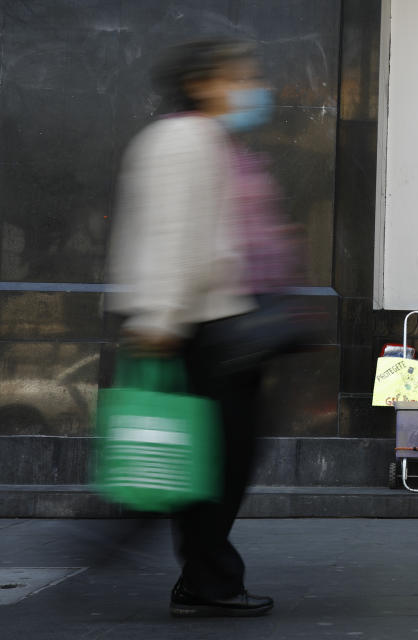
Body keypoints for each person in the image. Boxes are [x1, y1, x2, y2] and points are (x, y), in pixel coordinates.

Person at [108, 39, 284, 617]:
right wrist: (159, 319)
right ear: (205, 83)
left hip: (220, 321)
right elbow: (170, 235)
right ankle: (203, 575)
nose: (251, 86)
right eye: (239, 76)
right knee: (217, 460)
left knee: (220, 458)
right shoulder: (183, 139)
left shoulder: (207, 138)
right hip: (202, 327)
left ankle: (201, 570)